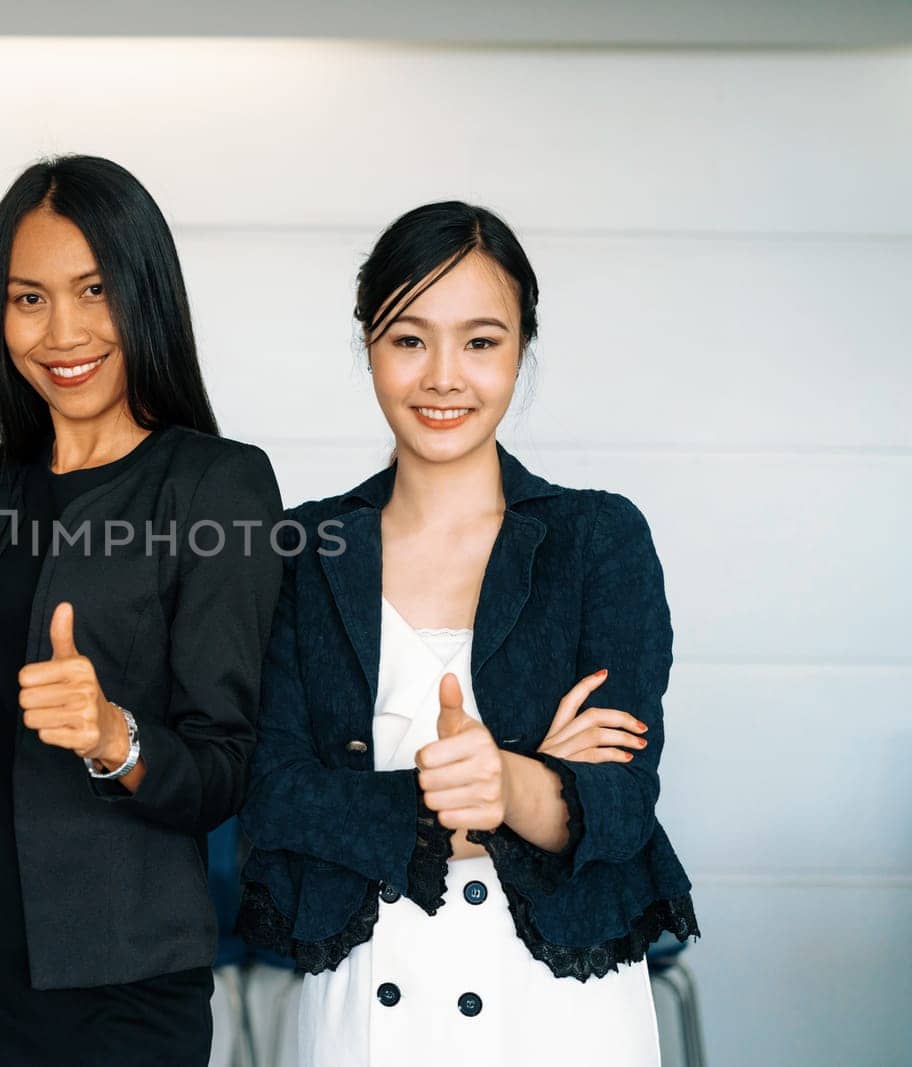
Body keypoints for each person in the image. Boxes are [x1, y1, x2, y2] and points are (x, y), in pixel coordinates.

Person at [238, 201, 698, 1066]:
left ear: (522, 347)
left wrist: (503, 782)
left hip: (560, 1012)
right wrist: (512, 789)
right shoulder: (301, 550)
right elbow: (273, 792)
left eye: (480, 342)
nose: (443, 376)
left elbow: (626, 797)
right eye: (410, 339)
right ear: (367, 343)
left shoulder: (596, 539)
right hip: (368, 1004)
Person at [0, 155, 283, 1067]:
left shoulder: (216, 484)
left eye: (94, 290)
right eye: (29, 297)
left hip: (123, 994)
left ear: (145, 293)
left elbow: (226, 766)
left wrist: (113, 735)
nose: (63, 330)